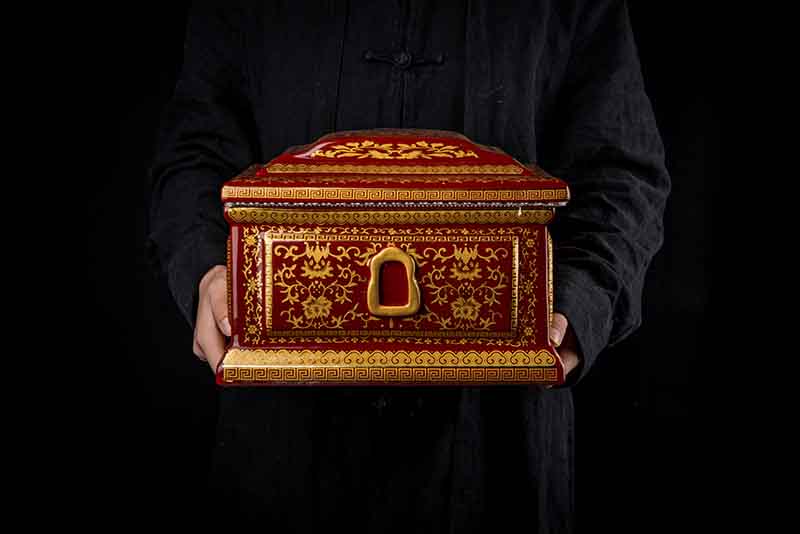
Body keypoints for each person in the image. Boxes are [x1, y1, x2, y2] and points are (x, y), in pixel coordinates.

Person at [146, 1, 670, 532]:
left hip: (498, 447)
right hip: (283, 450)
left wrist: (576, 307)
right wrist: (208, 270)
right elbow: (194, 151)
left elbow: (622, 171)